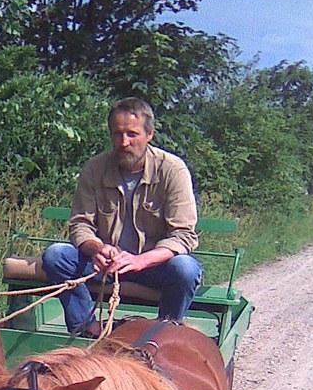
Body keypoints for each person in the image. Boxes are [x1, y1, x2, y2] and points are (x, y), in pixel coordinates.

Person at [42, 97, 201, 336]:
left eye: (132, 134)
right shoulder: (95, 168)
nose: (124, 142)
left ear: (149, 134)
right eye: (117, 134)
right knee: (56, 256)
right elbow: (80, 225)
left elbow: (183, 236)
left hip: (152, 265)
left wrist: (140, 261)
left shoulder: (172, 170)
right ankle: (87, 330)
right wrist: (96, 249)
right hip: (105, 264)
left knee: (185, 269)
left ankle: (164, 335)